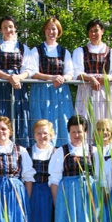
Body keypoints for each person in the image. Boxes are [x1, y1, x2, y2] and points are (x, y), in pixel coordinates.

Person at [50, 115, 102, 222]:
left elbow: (100, 178)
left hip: (87, 196)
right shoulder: (61, 151)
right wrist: (57, 202)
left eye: (80, 131)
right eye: (73, 132)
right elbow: (54, 179)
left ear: (85, 132)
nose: (77, 135)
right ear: (69, 132)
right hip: (68, 197)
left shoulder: (94, 151)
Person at [20, 119, 61, 222]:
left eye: (45, 133)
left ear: (51, 135)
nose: (42, 136)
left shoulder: (56, 152)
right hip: (31, 192)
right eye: (38, 133)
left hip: (50, 193)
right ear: (33, 134)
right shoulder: (26, 152)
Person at [0, 16, 36, 148]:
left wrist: (18, 78)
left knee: (19, 118)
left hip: (18, 87)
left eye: (10, 27)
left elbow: (28, 69)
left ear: (15, 29)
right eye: (5, 27)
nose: (8, 30)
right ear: (1, 30)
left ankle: (20, 149)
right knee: (0, 117)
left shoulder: (24, 48)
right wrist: (10, 77)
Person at [30, 17, 74, 147]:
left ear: (58, 31)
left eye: (54, 29)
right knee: (41, 120)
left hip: (60, 91)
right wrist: (51, 78)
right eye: (48, 29)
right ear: (44, 31)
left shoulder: (64, 52)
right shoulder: (36, 50)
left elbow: (70, 73)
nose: (51, 32)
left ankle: (62, 150)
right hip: (41, 91)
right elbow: (32, 72)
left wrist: (62, 78)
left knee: (61, 121)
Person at [73, 19, 112, 129]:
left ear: (102, 31)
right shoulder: (80, 51)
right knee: (84, 123)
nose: (93, 34)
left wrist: (106, 77)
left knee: (106, 123)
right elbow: (77, 73)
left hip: (105, 92)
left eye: (96, 30)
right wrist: (91, 78)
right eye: (91, 31)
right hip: (86, 92)